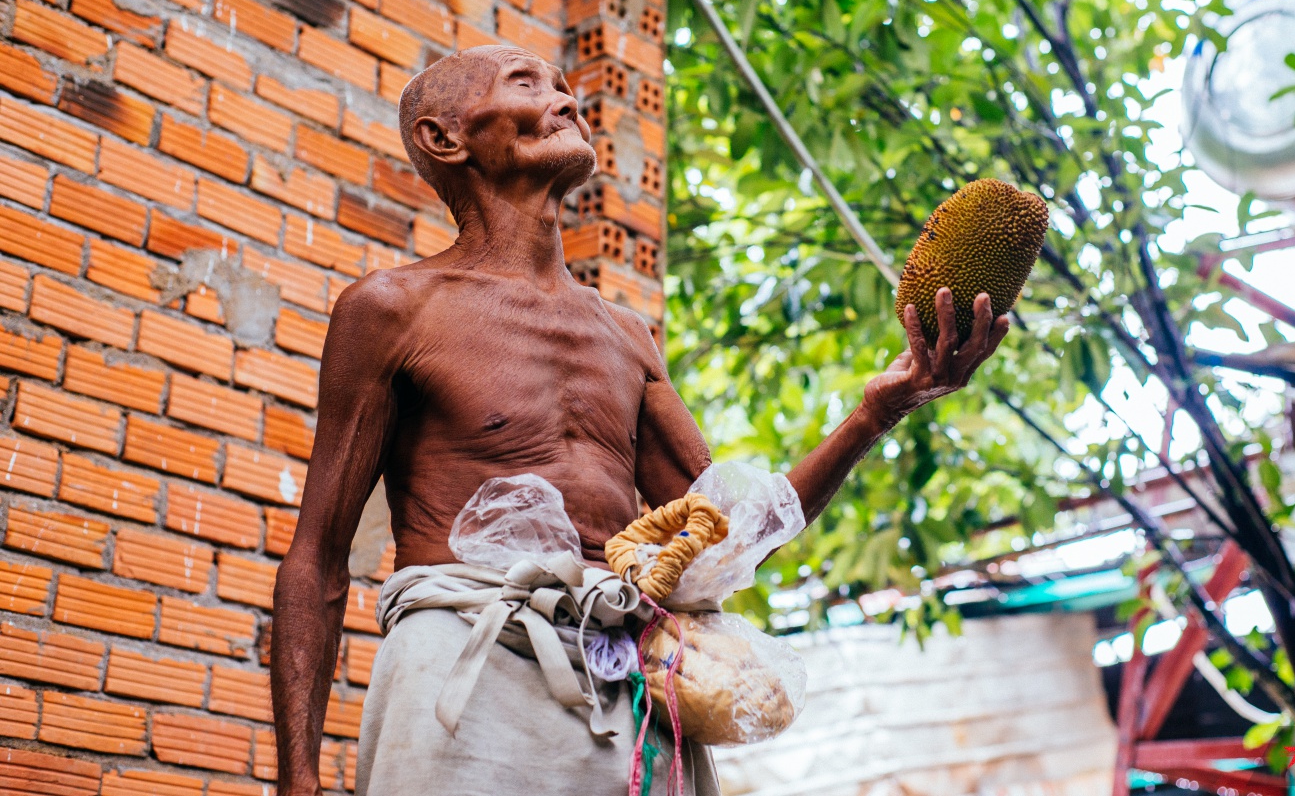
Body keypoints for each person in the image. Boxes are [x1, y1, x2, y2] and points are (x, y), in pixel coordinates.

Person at [270, 45, 1009, 796]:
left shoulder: (624, 336)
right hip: (464, 667)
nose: (566, 100)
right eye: (528, 85)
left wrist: (878, 410)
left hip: (623, 675)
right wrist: (297, 778)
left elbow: (726, 530)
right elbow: (316, 559)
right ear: (445, 138)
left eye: (564, 86)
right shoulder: (391, 309)